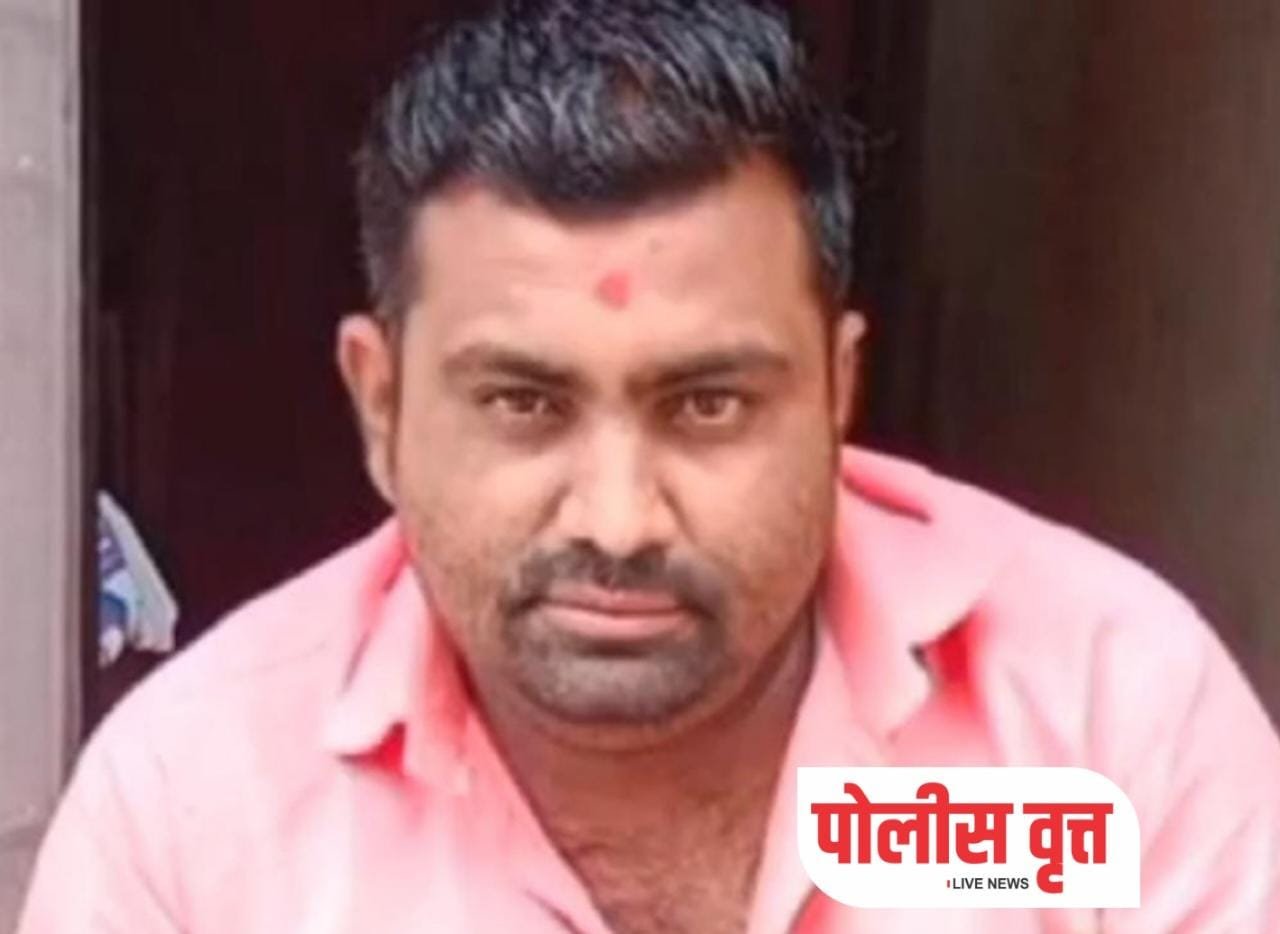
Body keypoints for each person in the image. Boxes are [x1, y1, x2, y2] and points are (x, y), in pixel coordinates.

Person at [20, 0, 1280, 930]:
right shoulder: (196, 814)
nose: (618, 519)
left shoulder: (1102, 719)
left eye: (708, 403)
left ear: (836, 390)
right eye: (523, 403)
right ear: (381, 406)